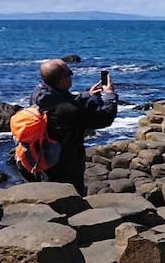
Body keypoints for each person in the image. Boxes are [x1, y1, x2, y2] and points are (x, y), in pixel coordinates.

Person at [21, 59, 117, 195]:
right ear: (62, 81)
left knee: (50, 190)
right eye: (69, 73)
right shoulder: (67, 109)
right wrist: (110, 96)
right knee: (70, 196)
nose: (72, 76)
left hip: (45, 155)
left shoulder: (39, 93)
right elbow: (104, 119)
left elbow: (63, 102)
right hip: (65, 162)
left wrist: (87, 95)